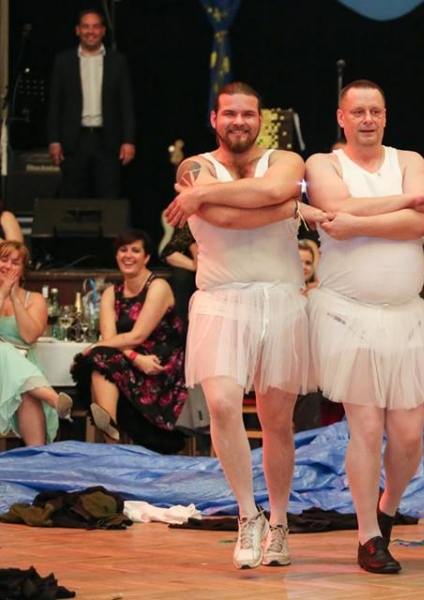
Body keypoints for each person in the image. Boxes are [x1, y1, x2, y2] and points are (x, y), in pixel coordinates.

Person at [163, 81, 325, 570]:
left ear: (261, 120)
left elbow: (272, 189)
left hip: (281, 299)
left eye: (248, 114)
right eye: (230, 113)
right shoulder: (192, 167)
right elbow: (226, 219)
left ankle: (279, 522)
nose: (239, 121)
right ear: (214, 119)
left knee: (277, 422)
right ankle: (247, 513)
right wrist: (289, 208)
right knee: (221, 403)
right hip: (221, 299)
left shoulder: (286, 160)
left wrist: (209, 197)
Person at [304, 79, 424, 575]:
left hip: (405, 314)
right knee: (364, 427)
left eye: (375, 111)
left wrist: (357, 221)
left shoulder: (410, 161)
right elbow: (336, 206)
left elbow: (419, 223)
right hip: (347, 312)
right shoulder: (323, 163)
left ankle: (386, 510)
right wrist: (400, 204)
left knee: (409, 438)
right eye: (358, 111)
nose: (368, 119)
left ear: (385, 116)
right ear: (341, 117)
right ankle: (367, 537)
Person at [71, 230, 187, 453]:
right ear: (116, 256)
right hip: (132, 361)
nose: (128, 255)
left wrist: (96, 347)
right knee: (100, 361)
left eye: (135, 250)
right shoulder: (110, 293)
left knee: (98, 359)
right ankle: (111, 438)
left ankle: (110, 442)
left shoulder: (158, 286)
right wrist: (134, 356)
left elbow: (137, 336)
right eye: (123, 250)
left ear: (146, 257)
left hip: (159, 367)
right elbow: (109, 341)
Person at [47, 8, 135, 198]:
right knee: (72, 198)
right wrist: (54, 140)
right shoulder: (63, 61)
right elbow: (55, 104)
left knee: (109, 198)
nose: (90, 31)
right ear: (77, 30)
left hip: (108, 141)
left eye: (95, 27)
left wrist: (128, 140)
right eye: (86, 26)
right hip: (74, 141)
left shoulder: (117, 61)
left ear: (103, 30)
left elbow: (126, 104)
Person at [0, 240, 73, 446]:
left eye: (15, 263)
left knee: (25, 391)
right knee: (2, 348)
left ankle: (38, 455)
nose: (8, 266)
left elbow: (29, 336)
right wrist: (2, 293)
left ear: (23, 270)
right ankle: (52, 398)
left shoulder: (35, 299)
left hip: (23, 367)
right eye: (3, 260)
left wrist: (14, 298)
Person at [159, 225, 198, 325]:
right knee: (181, 277)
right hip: (194, 269)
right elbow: (168, 253)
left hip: (220, 268)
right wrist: (192, 244)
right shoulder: (188, 224)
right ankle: (181, 326)